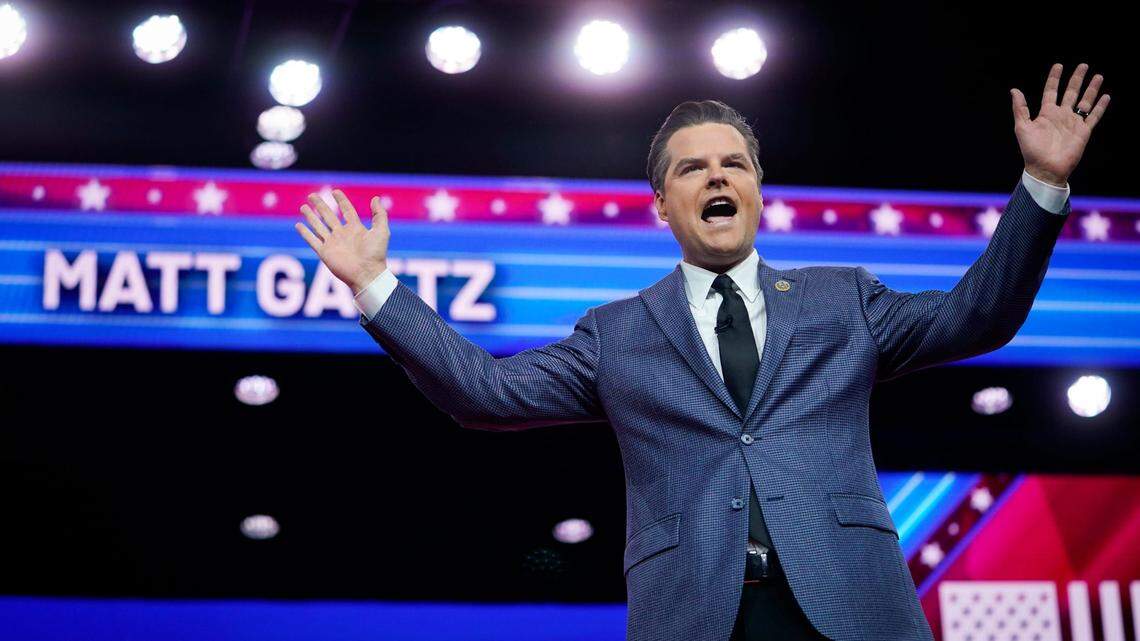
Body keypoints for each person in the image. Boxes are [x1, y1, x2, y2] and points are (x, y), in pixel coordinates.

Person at [294, 63, 1109, 641]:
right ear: (662, 204)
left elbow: (979, 314)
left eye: (733, 164)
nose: (717, 177)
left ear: (757, 189)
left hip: (852, 606)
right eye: (692, 169)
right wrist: (375, 284)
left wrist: (1041, 184)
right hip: (695, 616)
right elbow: (486, 391)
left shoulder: (843, 299)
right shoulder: (617, 333)